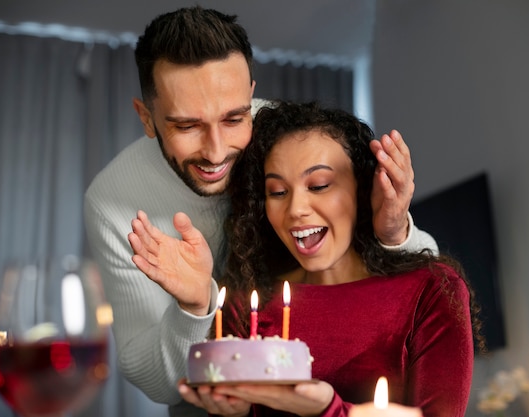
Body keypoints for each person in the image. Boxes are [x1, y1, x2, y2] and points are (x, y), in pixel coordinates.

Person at [84, 6, 438, 416]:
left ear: (251, 94)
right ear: (147, 118)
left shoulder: (285, 136)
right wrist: (194, 307)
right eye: (187, 126)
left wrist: (391, 233)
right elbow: (159, 384)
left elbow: (426, 277)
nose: (217, 151)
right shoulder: (112, 200)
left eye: (235, 118)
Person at [129, 101, 484, 417]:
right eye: (278, 192)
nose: (295, 209)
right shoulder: (248, 306)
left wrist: (327, 410)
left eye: (318, 186)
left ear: (362, 190)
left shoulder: (433, 291)